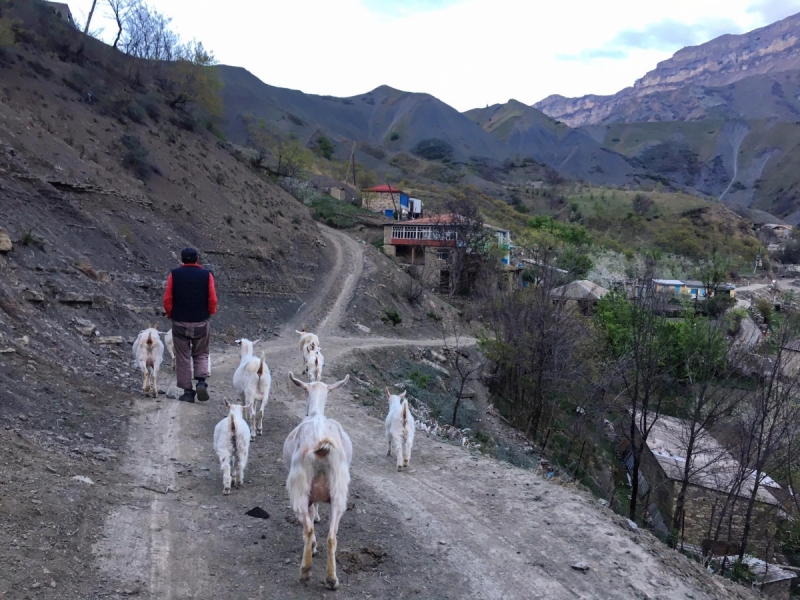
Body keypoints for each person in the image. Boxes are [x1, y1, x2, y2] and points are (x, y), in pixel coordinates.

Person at [163, 247, 218, 403]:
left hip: (179, 322)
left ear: (182, 259)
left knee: (182, 356)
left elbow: (167, 299)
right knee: (201, 352)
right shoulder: (207, 275)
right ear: (197, 259)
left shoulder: (174, 275)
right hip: (201, 321)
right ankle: (201, 382)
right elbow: (212, 299)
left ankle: (188, 392)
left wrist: (171, 314)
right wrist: (209, 313)